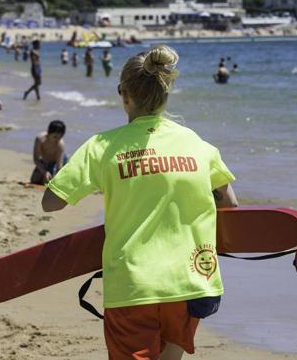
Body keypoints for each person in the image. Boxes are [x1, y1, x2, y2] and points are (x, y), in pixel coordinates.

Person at [41, 45, 238, 360]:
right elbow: (230, 205)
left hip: (134, 284)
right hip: (193, 281)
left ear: (124, 94)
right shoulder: (197, 143)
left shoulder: (101, 147)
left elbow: (51, 203)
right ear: (165, 93)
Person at [30, 120, 67, 185]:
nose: (57, 140)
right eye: (55, 137)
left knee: (48, 181)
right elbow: (36, 158)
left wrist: (56, 178)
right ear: (48, 133)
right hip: (45, 161)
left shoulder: (60, 144)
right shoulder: (40, 139)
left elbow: (59, 166)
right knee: (34, 180)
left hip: (57, 162)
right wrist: (44, 172)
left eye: (60, 137)